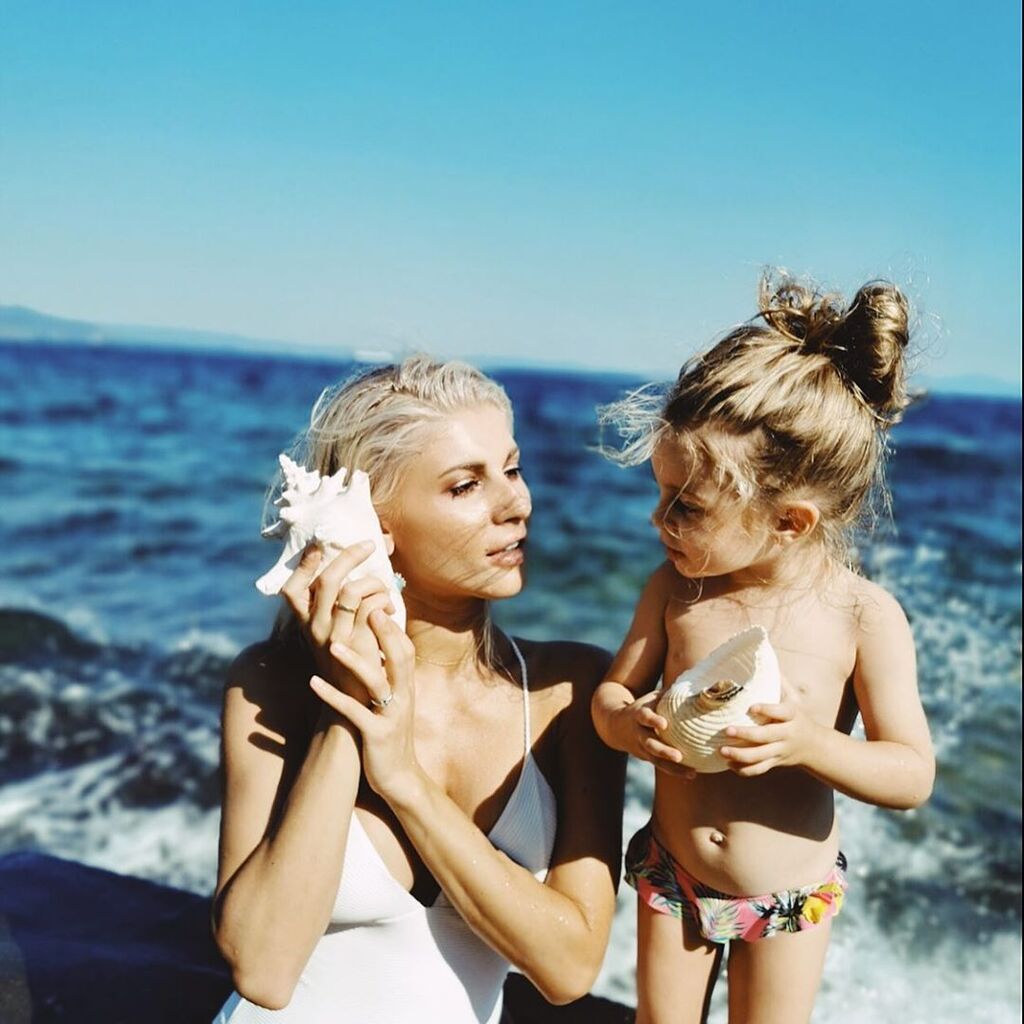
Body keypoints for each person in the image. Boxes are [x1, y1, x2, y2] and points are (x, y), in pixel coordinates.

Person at [212, 355, 625, 1023]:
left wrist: (403, 779)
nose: (517, 504)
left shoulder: (569, 692)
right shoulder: (271, 685)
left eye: (512, 469)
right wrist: (349, 701)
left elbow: (569, 968)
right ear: (374, 526)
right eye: (466, 486)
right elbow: (263, 968)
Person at [591, 273, 935, 1024]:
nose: (659, 519)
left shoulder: (862, 617)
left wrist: (810, 743)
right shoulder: (674, 590)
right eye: (660, 493)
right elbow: (611, 696)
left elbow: (911, 774)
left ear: (790, 522)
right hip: (674, 871)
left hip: (787, 895)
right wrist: (628, 726)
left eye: (687, 506)